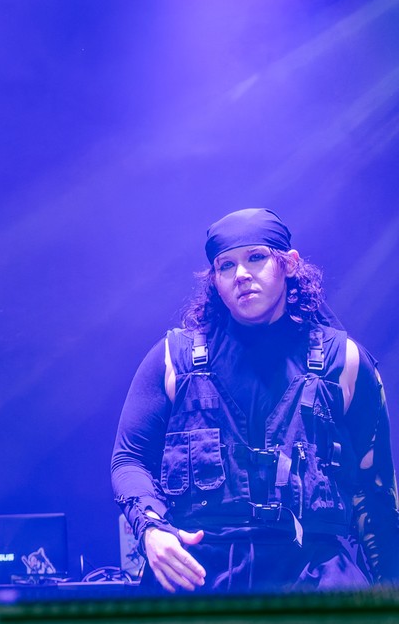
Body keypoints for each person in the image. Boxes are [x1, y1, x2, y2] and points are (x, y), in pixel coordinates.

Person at [112, 207, 399, 592]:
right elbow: (128, 459)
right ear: (215, 280)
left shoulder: (344, 361)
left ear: (289, 264)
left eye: (256, 257)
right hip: (200, 576)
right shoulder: (172, 358)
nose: (241, 274)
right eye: (226, 265)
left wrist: (389, 598)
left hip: (314, 579)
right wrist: (151, 527)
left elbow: (375, 496)